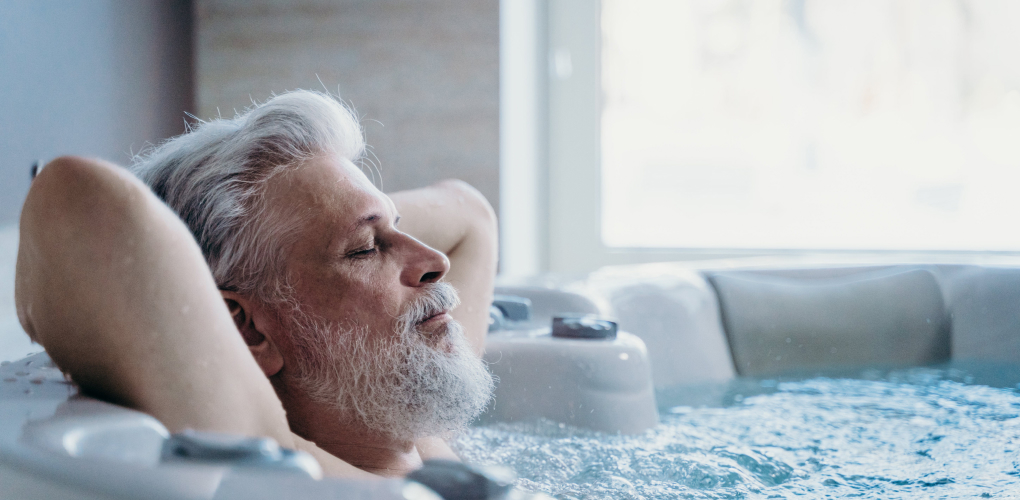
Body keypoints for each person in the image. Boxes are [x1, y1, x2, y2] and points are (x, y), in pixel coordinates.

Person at [14, 90, 499, 478]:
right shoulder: (285, 466)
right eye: (364, 250)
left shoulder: (416, 424)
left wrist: (337, 212)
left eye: (398, 226)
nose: (435, 260)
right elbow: (76, 199)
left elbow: (472, 218)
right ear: (247, 330)